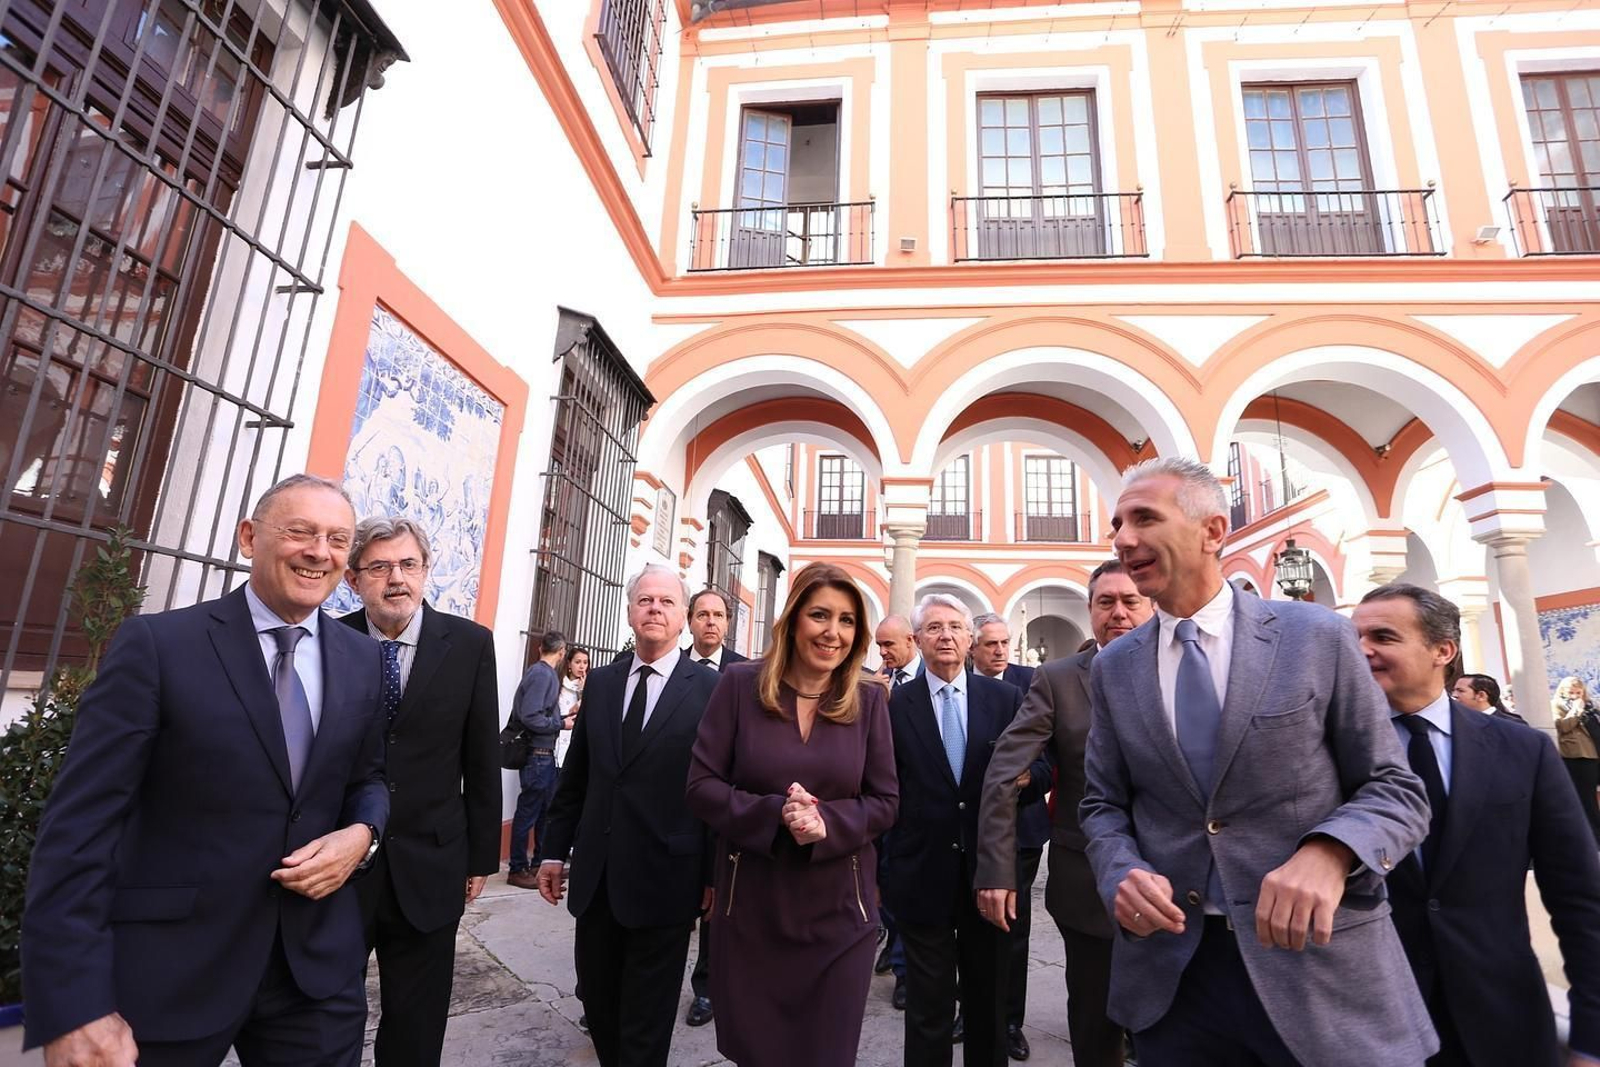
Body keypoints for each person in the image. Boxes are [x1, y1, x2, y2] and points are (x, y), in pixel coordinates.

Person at [22, 474, 389, 1066]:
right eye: (300, 531)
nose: (320, 551)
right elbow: (80, 828)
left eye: (338, 539)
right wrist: (74, 1003)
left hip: (314, 978)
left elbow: (367, 779)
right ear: (250, 537)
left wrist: (363, 835)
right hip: (171, 974)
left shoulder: (365, 659)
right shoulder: (159, 646)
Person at [1079, 456, 1435, 1066]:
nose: (1123, 539)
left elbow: (1394, 788)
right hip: (1175, 979)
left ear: (1213, 531)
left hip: (1316, 968)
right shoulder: (1114, 667)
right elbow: (1102, 803)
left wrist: (1330, 852)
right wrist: (1120, 872)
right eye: (1116, 523)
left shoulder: (1316, 636)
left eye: (1144, 518)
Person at [1355, 585, 1600, 1067]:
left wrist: (1592, 1033)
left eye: (1383, 636)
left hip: (1502, 1019)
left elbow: (1578, 894)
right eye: (1355, 638)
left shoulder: (1523, 750)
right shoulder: (1326, 753)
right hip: (1373, 1024)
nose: (1363, 649)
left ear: (1443, 651)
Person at [685, 562, 898, 1067]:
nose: (833, 632)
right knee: (759, 1053)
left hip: (840, 913)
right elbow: (701, 786)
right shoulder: (739, 685)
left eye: (847, 621)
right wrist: (774, 813)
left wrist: (829, 825)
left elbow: (886, 800)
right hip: (753, 906)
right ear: (793, 619)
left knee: (826, 1054)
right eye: (820, 615)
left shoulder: (869, 699)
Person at [535, 564, 719, 1067]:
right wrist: (553, 851)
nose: (654, 609)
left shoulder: (710, 690)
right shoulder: (605, 681)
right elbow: (577, 776)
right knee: (598, 1003)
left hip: (668, 878)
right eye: (645, 600)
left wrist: (712, 874)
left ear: (683, 617)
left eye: (665, 602)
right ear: (630, 611)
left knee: (648, 1018)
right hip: (598, 877)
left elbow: (716, 792)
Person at [975, 560, 1154, 1067]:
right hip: (1087, 883)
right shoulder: (1056, 680)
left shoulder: (1183, 665)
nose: (1118, 612)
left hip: (1174, 876)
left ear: (1151, 605)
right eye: (1105, 602)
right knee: (1095, 1023)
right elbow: (1004, 773)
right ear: (1091, 610)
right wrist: (997, 869)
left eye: (1130, 600)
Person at [340, 516, 501, 1067]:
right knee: (326, 1008)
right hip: (339, 862)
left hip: (431, 861)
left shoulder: (470, 644)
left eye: (409, 565)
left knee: (417, 1016)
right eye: (379, 567)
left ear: (426, 572)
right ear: (352, 578)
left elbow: (481, 757)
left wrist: (480, 856)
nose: (396, 579)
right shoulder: (328, 639)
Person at [886, 594, 1029, 1067]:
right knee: (928, 1009)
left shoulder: (1004, 698)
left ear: (969, 638)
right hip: (921, 873)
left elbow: (1041, 769)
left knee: (988, 1002)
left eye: (955, 627)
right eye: (933, 628)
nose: (945, 635)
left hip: (986, 877)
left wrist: (1026, 778)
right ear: (917, 639)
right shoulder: (893, 705)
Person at [969, 612, 1048, 1062]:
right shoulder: (955, 685)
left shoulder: (1034, 683)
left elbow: (1046, 762)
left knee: (1012, 930)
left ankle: (1010, 1021)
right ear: (972, 648)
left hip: (1022, 828)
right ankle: (973, 1009)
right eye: (990, 643)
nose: (999, 650)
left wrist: (1017, 781)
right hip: (967, 831)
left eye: (1005, 643)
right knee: (967, 924)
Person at [682, 588, 749, 1027]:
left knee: (715, 898)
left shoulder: (744, 672)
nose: (710, 622)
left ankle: (706, 988)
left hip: (722, 799)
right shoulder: (674, 665)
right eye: (702, 614)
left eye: (718, 615)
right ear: (690, 621)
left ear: (727, 623)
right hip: (676, 798)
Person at [873, 612, 922, 1004]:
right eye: (879, 645)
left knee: (908, 885)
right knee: (884, 880)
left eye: (889, 645)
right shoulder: (877, 680)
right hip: (881, 799)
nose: (883, 652)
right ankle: (892, 940)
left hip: (919, 802)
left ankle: (906, 972)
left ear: (911, 640)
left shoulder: (930, 678)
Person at [506, 631, 568, 890]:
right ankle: (517, 867)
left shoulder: (541, 674)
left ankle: (537, 863)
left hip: (543, 755)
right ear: (562, 652)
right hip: (537, 756)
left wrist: (561, 717)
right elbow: (531, 716)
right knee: (529, 812)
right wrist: (561, 723)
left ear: (540, 647)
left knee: (544, 812)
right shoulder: (542, 675)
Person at [1552, 676, 1600, 847]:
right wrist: (1575, 710)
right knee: (1585, 798)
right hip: (1577, 756)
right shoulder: (1557, 705)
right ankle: (1593, 837)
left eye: (1578, 692)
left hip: (1594, 753)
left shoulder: (1591, 705)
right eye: (1571, 693)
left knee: (1591, 796)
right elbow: (1563, 727)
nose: (1575, 696)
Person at [556, 646, 589, 767]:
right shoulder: (558, 684)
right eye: (578, 662)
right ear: (569, 664)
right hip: (555, 743)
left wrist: (583, 692)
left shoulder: (590, 687)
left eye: (585, 662)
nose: (582, 666)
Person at [1449, 672, 1525, 724]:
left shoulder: (1513, 724)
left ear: (1481, 696)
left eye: (1461, 691)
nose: (1454, 695)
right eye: (1454, 690)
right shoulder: (1455, 723)